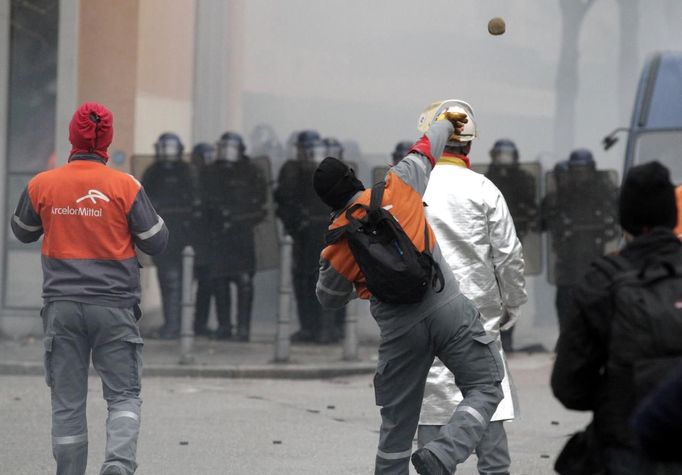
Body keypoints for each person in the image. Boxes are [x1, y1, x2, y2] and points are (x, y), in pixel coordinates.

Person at [315, 110, 503, 475]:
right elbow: (427, 146)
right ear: (354, 177)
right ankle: (444, 453)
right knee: (484, 387)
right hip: (448, 307)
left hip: (401, 331)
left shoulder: (338, 243)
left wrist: (365, 279)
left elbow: (327, 298)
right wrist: (448, 122)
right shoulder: (398, 183)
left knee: (396, 431)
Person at [11, 102, 168, 475]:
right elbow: (156, 241)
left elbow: (22, 231)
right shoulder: (125, 186)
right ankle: (117, 464)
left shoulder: (42, 183)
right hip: (114, 307)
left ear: (72, 136)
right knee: (124, 395)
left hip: (62, 307)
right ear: (107, 139)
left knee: (67, 402)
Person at [552, 161, 682, 474]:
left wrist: (619, 394)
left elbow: (569, 385)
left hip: (626, 447)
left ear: (624, 220)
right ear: (673, 216)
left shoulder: (601, 280)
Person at [417, 101, 526, 475]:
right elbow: (509, 257)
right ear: (469, 146)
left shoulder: (411, 189)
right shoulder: (485, 189)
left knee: (431, 403)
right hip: (480, 319)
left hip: (423, 316)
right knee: (488, 404)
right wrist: (512, 305)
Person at [541, 149, 618, 332]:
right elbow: (542, 221)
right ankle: (566, 339)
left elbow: (615, 219)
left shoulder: (603, 192)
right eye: (576, 171)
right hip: (567, 261)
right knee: (566, 303)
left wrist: (606, 226)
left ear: (592, 170)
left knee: (597, 303)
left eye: (583, 171)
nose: (580, 176)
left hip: (595, 259)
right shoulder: (561, 195)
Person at [201, 132, 267, 341]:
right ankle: (224, 327)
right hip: (218, 236)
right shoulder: (209, 173)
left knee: (244, 281)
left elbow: (261, 206)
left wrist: (239, 219)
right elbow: (202, 201)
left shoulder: (251, 173)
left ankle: (243, 329)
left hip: (242, 236)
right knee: (219, 281)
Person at [274, 130, 337, 343]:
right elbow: (283, 202)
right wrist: (296, 222)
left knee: (323, 282)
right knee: (304, 282)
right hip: (302, 236)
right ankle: (310, 329)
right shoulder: (293, 171)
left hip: (325, 236)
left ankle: (324, 330)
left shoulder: (331, 171)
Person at [484, 138, 537, 352]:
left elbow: (532, 208)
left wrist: (527, 218)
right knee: (491, 289)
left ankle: (508, 339)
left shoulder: (524, 179)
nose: (504, 160)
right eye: (501, 155)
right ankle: (493, 338)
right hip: (489, 244)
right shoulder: (487, 179)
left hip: (514, 241)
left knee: (510, 288)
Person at [141, 132, 194, 339]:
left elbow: (196, 201)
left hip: (183, 233)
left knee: (178, 279)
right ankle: (172, 325)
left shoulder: (187, 172)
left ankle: (177, 326)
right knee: (167, 278)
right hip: (161, 232)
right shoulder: (153, 172)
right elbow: (144, 199)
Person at [190, 142, 217, 336]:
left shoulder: (215, 181)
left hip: (208, 240)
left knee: (206, 285)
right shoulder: (188, 179)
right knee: (191, 284)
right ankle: (186, 323)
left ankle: (199, 324)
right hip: (190, 238)